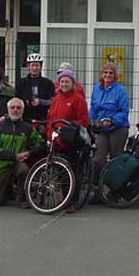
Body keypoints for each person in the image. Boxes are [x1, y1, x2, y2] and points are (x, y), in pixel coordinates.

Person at [0, 98, 45, 208]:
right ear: (8, 109)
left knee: (24, 170)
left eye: (18, 108)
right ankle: (8, 189)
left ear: (22, 110)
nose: (15, 110)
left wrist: (29, 153)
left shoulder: (28, 128)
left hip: (18, 163)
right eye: (12, 108)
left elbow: (41, 144)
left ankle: (21, 197)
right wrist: (14, 156)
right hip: (1, 165)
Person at [47, 70, 90, 212]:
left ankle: (73, 201)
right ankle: (63, 199)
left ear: (73, 84)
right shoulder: (56, 99)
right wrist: (50, 134)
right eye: (62, 81)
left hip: (72, 141)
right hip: (57, 140)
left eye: (67, 82)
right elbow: (51, 119)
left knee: (72, 170)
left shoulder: (78, 99)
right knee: (60, 172)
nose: (64, 84)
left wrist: (70, 130)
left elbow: (83, 121)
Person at [90, 62, 130, 189]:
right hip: (102, 128)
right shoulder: (97, 89)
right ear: (101, 74)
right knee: (98, 158)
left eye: (111, 73)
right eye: (105, 72)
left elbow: (124, 111)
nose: (108, 75)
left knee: (115, 159)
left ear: (115, 75)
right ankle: (99, 189)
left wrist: (112, 120)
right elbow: (93, 108)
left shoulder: (121, 90)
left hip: (118, 128)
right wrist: (90, 120)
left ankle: (116, 189)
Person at [18, 53, 55, 124]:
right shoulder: (21, 83)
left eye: (37, 65)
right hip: (25, 119)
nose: (34, 68)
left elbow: (53, 101)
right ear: (28, 66)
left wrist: (41, 102)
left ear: (41, 66)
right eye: (32, 65)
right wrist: (25, 102)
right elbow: (17, 98)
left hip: (42, 119)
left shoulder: (48, 83)